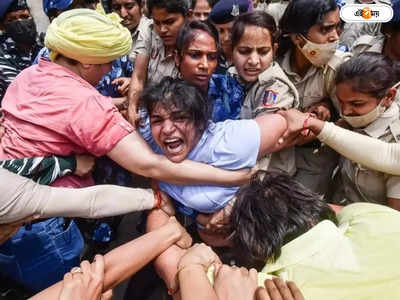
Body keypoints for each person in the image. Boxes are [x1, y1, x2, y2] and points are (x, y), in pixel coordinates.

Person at [0, 9, 251, 293]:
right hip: (45, 231)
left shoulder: (30, 75)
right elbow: (152, 166)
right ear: (85, 62)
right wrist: (237, 177)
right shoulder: (86, 105)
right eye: (107, 62)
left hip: (16, 220)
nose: (110, 69)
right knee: (68, 289)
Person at [138, 77, 287, 295]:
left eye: (180, 117)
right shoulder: (151, 148)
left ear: (200, 122)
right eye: (157, 120)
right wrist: (176, 268)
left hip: (261, 247)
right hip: (201, 251)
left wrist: (239, 202)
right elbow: (162, 205)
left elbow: (287, 122)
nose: (167, 129)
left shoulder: (231, 141)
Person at [206, 170, 400, 300]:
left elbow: (183, 267)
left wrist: (196, 257)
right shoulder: (373, 217)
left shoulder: (269, 288)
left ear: (257, 249)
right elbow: (330, 210)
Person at [277, 0, 351, 195]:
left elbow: (352, 121)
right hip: (276, 155)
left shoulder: (339, 68)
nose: (334, 36)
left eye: (337, 27)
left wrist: (324, 123)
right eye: (325, 29)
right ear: (297, 38)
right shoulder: (274, 63)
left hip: (315, 158)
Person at [324, 53, 400, 209]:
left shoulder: (394, 140)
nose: (345, 111)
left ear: (389, 97)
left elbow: (393, 221)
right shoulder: (351, 123)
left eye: (357, 104)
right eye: (341, 102)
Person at [228, 11, 299, 174]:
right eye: (244, 51)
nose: (253, 61)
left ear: (274, 50)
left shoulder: (277, 88)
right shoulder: (231, 76)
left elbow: (257, 142)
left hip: (267, 178)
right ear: (232, 50)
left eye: (262, 51)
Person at [127, 0, 189, 123]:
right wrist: (132, 108)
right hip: (147, 109)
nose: (162, 30)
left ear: (188, 17)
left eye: (169, 22)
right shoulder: (149, 30)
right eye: (157, 23)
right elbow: (139, 76)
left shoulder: (194, 44)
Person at [0, 0, 42, 102]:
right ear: (2, 26)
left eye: (24, 17)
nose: (20, 22)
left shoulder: (46, 48)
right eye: (12, 19)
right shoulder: (2, 56)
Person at [209, 0, 249, 73]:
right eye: (221, 31)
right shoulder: (210, 57)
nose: (226, 38)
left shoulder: (252, 60)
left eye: (231, 31)